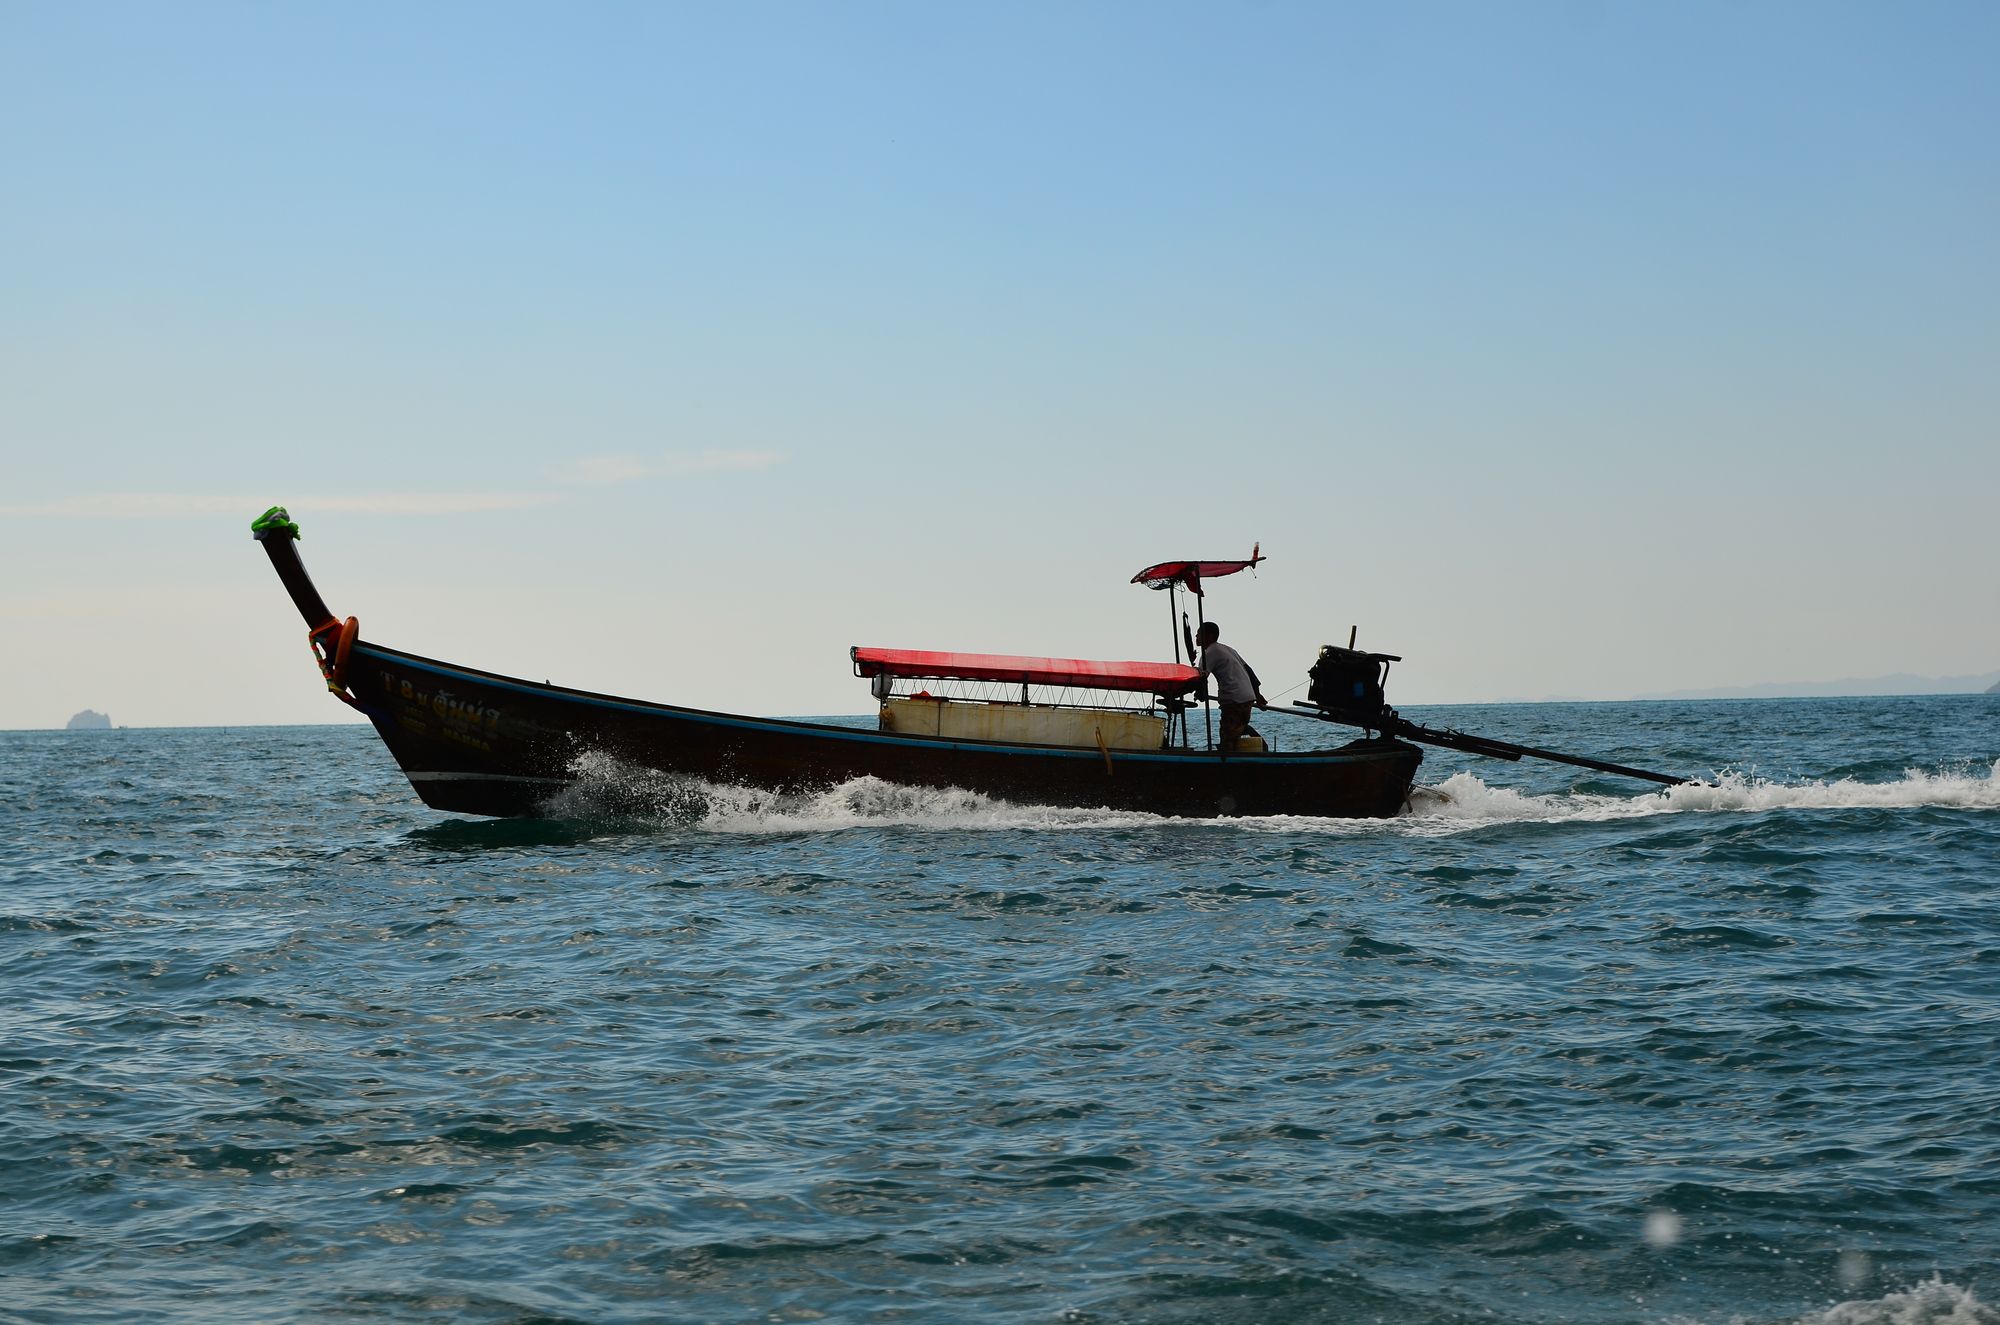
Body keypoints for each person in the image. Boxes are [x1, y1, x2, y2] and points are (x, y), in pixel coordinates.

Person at [1194, 620, 1267, 752]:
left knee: (1227, 735)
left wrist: (1198, 692)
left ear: (1209, 636)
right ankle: (1254, 741)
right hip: (1247, 697)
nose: (1195, 636)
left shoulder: (1209, 653)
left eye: (1198, 633)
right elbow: (1249, 671)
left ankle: (1228, 762)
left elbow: (1201, 679)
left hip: (1234, 699)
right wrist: (1257, 695)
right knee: (1238, 727)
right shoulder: (1228, 649)